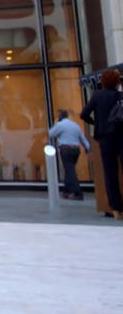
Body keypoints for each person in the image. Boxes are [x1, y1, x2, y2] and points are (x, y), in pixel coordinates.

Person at [81, 68, 123, 220]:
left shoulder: (97, 96)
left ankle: (116, 208)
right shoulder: (120, 96)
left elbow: (84, 114)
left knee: (109, 172)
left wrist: (96, 123)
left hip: (105, 136)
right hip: (120, 134)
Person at [48, 109, 90, 200]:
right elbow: (82, 139)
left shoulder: (60, 125)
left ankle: (77, 192)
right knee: (69, 169)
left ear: (60, 117)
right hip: (76, 149)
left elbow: (51, 134)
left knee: (70, 171)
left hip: (66, 149)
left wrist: (55, 124)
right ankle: (67, 191)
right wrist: (88, 148)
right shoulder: (75, 125)